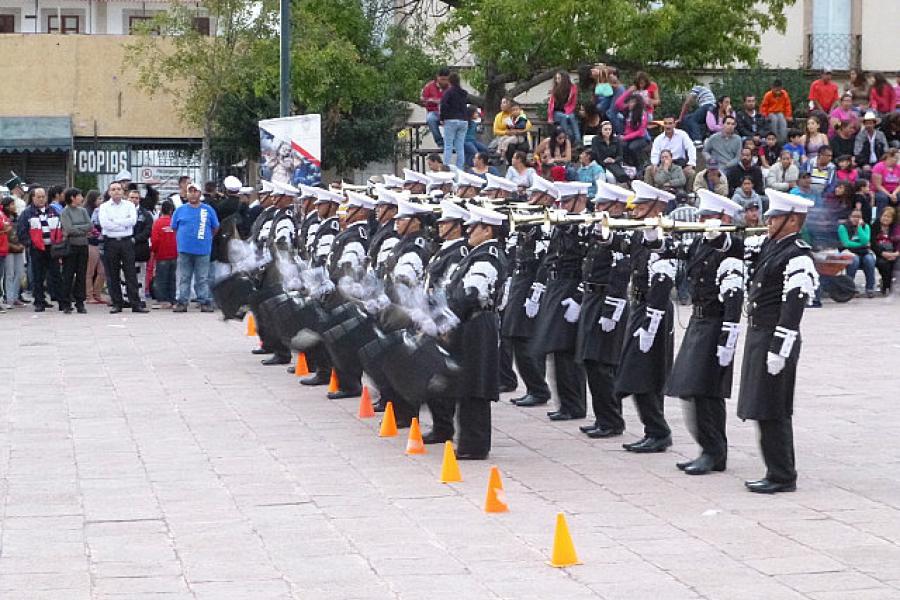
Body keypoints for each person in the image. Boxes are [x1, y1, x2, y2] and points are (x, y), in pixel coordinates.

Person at [739, 189, 817, 494]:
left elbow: (793, 306)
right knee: (762, 404)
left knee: (774, 406)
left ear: (792, 219)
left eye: (775, 216)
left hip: (774, 337)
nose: (768, 221)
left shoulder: (797, 254)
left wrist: (780, 349)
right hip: (760, 333)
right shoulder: (772, 246)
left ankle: (782, 474)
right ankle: (776, 469)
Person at [667, 189, 744, 475]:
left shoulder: (730, 244)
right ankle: (709, 448)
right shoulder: (702, 242)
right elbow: (677, 253)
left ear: (723, 218)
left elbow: (730, 247)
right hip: (698, 321)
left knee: (705, 389)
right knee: (693, 389)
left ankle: (713, 451)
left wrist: (729, 337)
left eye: (708, 216)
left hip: (715, 323)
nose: (701, 221)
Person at [612, 181, 677, 453]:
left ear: (656, 207)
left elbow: (663, 281)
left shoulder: (664, 237)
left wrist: (651, 321)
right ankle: (653, 428)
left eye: (641, 205)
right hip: (639, 305)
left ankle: (658, 431)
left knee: (643, 370)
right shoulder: (641, 234)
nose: (635, 210)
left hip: (654, 308)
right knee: (639, 370)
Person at [441, 203, 508, 459]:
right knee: (467, 382)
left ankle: (475, 444)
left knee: (475, 384)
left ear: (487, 229)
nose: (468, 232)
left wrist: (449, 316)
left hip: (478, 323)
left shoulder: (486, 256)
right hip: (472, 322)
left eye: (473, 228)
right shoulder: (478, 252)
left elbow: (472, 292)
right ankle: (470, 440)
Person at [529, 182, 592, 422]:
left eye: (567, 202)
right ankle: (565, 402)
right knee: (557, 348)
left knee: (567, 349)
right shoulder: (564, 224)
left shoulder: (587, 227)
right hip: (556, 286)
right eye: (561, 202)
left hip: (570, 287)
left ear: (580, 200)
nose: (562, 206)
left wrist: (578, 297)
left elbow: (588, 266)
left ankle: (574, 404)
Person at [576, 182, 632, 438]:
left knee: (602, 364)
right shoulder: (601, 230)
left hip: (608, 300)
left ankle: (612, 420)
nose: (596, 209)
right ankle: (603, 417)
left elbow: (621, 272)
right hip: (592, 297)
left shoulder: (623, 232)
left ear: (617, 206)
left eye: (602, 205)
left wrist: (612, 310)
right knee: (590, 360)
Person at [504, 176, 556, 410]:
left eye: (536, 196)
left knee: (525, 336)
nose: (530, 199)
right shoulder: (531, 219)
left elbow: (545, 261)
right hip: (520, 276)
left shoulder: (547, 224)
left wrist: (536, 292)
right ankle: (533, 386)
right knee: (514, 333)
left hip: (532, 281)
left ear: (547, 199)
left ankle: (538, 388)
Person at [171, 181, 220, 313]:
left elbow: (215, 227)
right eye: (190, 192)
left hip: (203, 249)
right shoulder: (180, 210)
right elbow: (174, 227)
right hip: (184, 250)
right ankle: (182, 301)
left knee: (202, 277)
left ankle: (204, 301)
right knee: (184, 277)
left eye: (195, 192)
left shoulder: (208, 210)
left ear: (200, 193)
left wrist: (206, 238)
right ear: (187, 194)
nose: (192, 195)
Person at [16, 185, 62, 312]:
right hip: (37, 249)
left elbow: (60, 226)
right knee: (38, 276)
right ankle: (39, 301)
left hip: (52, 248)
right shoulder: (27, 213)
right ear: (33, 198)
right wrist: (30, 243)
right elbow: (21, 232)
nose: (42, 199)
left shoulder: (53, 210)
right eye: (39, 197)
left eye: (43, 197)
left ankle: (61, 300)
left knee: (56, 275)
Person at [58, 188, 92, 314]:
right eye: (79, 196)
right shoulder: (65, 212)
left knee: (81, 274)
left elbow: (90, 226)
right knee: (68, 274)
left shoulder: (83, 210)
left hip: (83, 246)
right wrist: (81, 230)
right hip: (70, 247)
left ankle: (80, 302)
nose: (81, 198)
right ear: (72, 197)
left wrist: (77, 228)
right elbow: (69, 229)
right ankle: (66, 302)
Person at [837, 208, 876, 297]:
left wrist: (859, 228)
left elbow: (865, 240)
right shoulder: (843, 227)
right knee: (854, 260)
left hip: (864, 252)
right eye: (854, 216)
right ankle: (850, 287)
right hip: (848, 252)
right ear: (849, 217)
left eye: (859, 217)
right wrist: (862, 244)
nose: (856, 219)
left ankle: (870, 288)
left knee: (870, 260)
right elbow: (846, 243)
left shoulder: (865, 226)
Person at [648, 115, 696, 183]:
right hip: (663, 165)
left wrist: (691, 164)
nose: (668, 126)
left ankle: (688, 193)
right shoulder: (658, 139)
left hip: (679, 165)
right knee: (649, 169)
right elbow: (655, 153)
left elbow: (691, 148)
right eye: (665, 123)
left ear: (674, 124)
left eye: (670, 123)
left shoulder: (682, 134)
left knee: (691, 173)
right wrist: (654, 164)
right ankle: (648, 192)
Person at [150, 199, 178, 308]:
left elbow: (155, 239)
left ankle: (162, 300)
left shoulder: (158, 223)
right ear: (172, 211)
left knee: (161, 278)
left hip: (161, 255)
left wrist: (153, 250)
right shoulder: (175, 223)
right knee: (172, 278)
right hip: (174, 254)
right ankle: (172, 299)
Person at [439, 72, 469, 170]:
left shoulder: (448, 92)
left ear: (449, 81)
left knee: (448, 145)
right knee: (460, 147)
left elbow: (443, 105)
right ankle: (460, 169)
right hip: (463, 120)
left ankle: (446, 168)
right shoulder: (464, 93)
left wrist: (442, 118)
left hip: (451, 119)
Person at [614, 92, 649, 169]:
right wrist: (628, 92)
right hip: (627, 137)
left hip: (640, 138)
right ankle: (627, 166)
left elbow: (640, 132)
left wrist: (625, 137)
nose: (630, 103)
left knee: (632, 147)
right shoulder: (628, 111)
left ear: (638, 104)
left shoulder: (643, 114)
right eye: (629, 101)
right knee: (621, 145)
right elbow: (618, 104)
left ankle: (640, 166)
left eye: (632, 102)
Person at [83, 190, 106, 304]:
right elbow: (89, 228)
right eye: (99, 199)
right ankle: (89, 295)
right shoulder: (88, 211)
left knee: (102, 270)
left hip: (102, 243)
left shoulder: (103, 211)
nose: (101, 201)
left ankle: (97, 293)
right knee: (90, 270)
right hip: (91, 243)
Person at [548, 71, 581, 143]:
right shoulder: (555, 89)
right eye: (556, 79)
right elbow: (551, 105)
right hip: (557, 112)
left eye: (559, 78)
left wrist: (568, 113)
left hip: (568, 111)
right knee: (563, 117)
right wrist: (550, 117)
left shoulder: (573, 88)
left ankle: (578, 140)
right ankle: (567, 138)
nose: (557, 81)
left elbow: (573, 103)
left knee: (572, 117)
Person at [421, 67, 449, 148]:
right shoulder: (429, 86)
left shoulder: (451, 86)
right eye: (442, 79)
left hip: (448, 112)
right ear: (437, 77)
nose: (444, 82)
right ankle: (440, 143)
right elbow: (422, 99)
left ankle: (452, 142)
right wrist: (432, 100)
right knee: (430, 119)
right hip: (434, 111)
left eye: (446, 79)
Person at [873, 206, 898, 294]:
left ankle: (892, 284)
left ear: (892, 219)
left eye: (888, 217)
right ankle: (887, 286)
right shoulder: (875, 226)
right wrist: (883, 253)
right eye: (884, 216)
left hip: (894, 253)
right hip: (879, 254)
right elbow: (872, 244)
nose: (885, 218)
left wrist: (895, 254)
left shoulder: (895, 228)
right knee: (883, 264)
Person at [871, 148, 900, 217]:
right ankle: (879, 218)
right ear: (889, 156)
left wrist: (894, 193)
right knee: (883, 198)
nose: (897, 160)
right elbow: (878, 185)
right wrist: (889, 195)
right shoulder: (879, 167)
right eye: (895, 158)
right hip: (881, 190)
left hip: (894, 190)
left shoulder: (898, 168)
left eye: (898, 158)